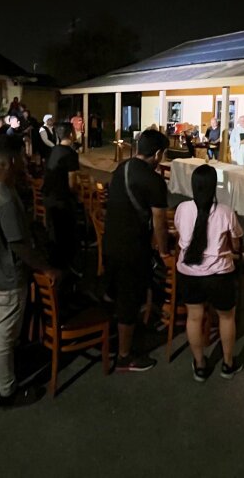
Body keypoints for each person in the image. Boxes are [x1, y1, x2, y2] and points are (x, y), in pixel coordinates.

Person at [0, 136, 59, 407]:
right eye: (22, 158)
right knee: (6, 335)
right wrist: (46, 268)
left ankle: (4, 378)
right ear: (12, 161)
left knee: (5, 331)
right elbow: (19, 245)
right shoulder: (4, 198)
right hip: (7, 276)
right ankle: (8, 392)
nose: (26, 162)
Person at [104, 129, 170, 372]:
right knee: (128, 300)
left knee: (117, 293)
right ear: (158, 154)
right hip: (132, 246)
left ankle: (118, 334)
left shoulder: (122, 167)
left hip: (110, 239)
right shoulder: (154, 180)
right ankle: (124, 356)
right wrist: (164, 252)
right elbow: (160, 222)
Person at [173, 164, 244, 381]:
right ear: (215, 187)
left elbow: (180, 236)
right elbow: (236, 243)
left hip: (189, 273)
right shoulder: (225, 212)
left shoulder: (182, 209)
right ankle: (228, 363)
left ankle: (201, 365)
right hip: (219, 274)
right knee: (226, 316)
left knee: (194, 318)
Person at [42, 122, 81, 272]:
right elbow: (72, 183)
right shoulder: (70, 154)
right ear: (71, 134)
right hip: (62, 199)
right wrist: (77, 197)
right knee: (66, 234)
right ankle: (67, 268)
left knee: (53, 232)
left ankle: (55, 264)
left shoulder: (53, 150)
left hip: (49, 196)